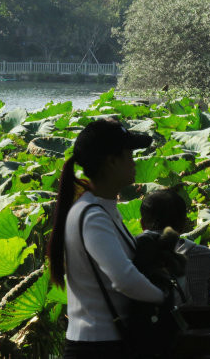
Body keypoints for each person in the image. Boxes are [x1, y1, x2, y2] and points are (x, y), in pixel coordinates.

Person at [47, 117, 166, 359]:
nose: (134, 162)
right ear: (112, 161)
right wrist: (163, 297)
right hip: (97, 346)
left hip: (108, 342)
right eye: (129, 155)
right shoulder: (92, 216)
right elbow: (123, 278)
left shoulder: (103, 208)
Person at [139, 188, 210, 306]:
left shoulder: (131, 253)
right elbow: (206, 301)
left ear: (143, 225)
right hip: (198, 323)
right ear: (183, 224)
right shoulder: (205, 256)